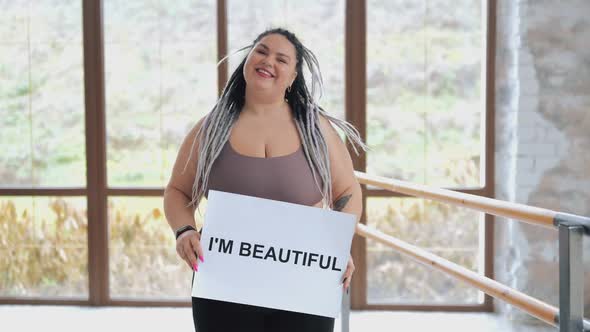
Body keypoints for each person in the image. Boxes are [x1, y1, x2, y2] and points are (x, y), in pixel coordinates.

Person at [163, 27, 367, 332]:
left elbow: (347, 190)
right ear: (248, 59)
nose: (268, 60)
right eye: (261, 50)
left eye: (281, 58)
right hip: (223, 279)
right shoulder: (211, 127)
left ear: (293, 76)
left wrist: (337, 247)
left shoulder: (317, 129)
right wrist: (184, 231)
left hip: (304, 277)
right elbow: (178, 190)